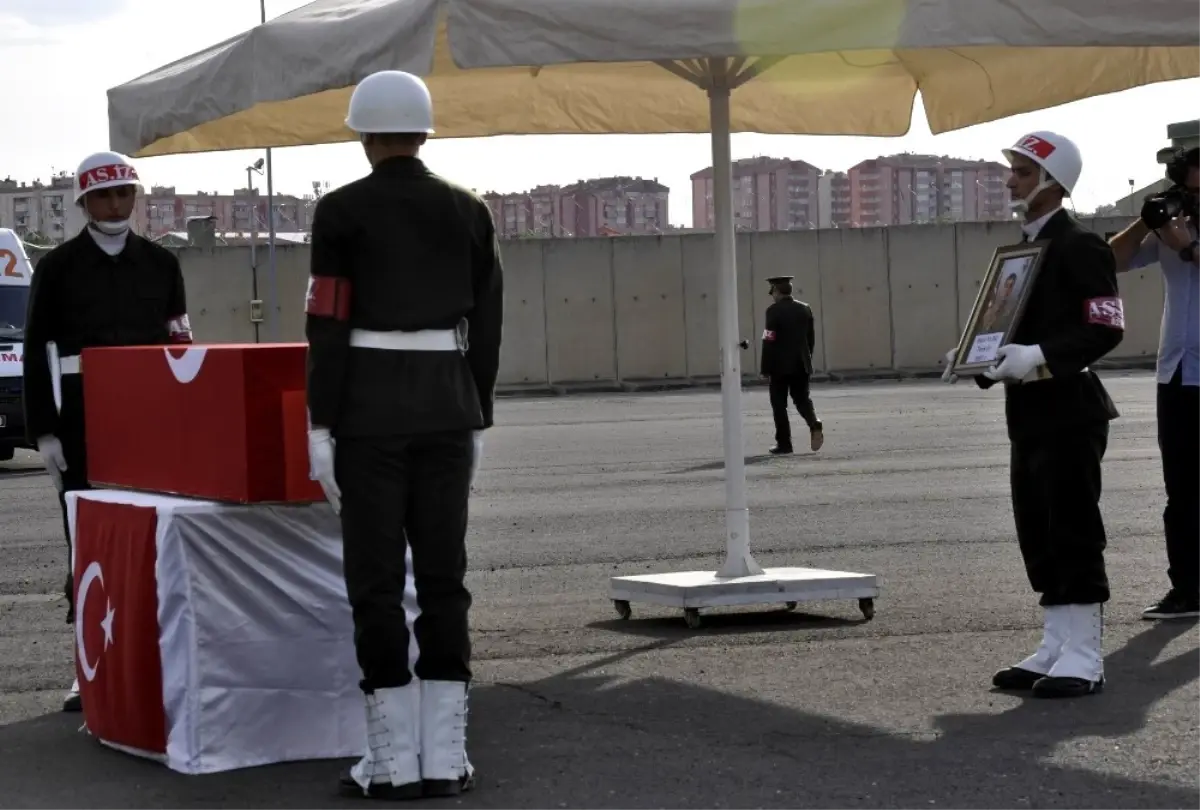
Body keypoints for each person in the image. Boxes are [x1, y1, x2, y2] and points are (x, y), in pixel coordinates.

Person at [303, 69, 504, 800]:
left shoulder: (341, 212)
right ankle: (446, 759)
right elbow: (487, 327)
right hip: (449, 408)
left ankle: (390, 762)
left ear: (363, 136)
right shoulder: (469, 210)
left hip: (370, 416)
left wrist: (320, 422)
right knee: (446, 580)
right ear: (424, 131)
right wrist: (477, 409)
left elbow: (326, 323)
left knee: (377, 584)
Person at [941, 131, 1125, 699]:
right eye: (1014, 170)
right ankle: (1055, 643)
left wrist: (1040, 356)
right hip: (1030, 412)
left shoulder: (1081, 247)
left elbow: (1105, 326)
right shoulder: (1023, 252)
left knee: (1071, 525)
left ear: (1052, 180)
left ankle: (1086, 654)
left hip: (1070, 409)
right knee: (1038, 528)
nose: (1010, 180)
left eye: (1021, 171)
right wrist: (977, 357)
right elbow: (1007, 330)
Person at [21, 150, 193, 713]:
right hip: (82, 419)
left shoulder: (162, 266)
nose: (116, 204)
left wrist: (185, 416)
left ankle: (147, 655)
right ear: (84, 203)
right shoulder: (58, 268)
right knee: (87, 538)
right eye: (103, 195)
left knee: (151, 536)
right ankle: (87, 659)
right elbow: (33, 353)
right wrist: (44, 431)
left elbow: (179, 345)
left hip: (149, 421)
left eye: (124, 193)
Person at [1109, 146, 1200, 620]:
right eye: (1187, 186)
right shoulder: (1171, 229)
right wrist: (1147, 220)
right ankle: (1187, 589)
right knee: (1181, 491)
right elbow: (1114, 260)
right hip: (1178, 373)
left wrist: (1190, 246)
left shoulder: (1183, 238)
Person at [760, 275, 822, 454]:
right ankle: (814, 422)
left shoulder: (773, 311)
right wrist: (807, 359)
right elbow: (810, 339)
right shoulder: (805, 309)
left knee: (779, 404)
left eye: (773, 292)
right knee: (802, 399)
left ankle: (784, 444)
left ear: (777, 291)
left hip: (779, 367)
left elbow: (768, 340)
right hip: (801, 364)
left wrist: (765, 368)